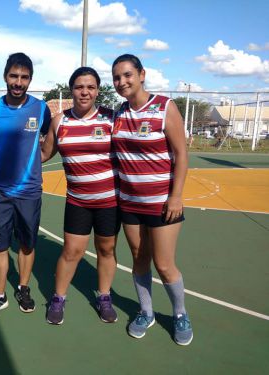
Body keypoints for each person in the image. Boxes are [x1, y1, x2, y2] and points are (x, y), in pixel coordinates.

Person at [111, 54, 193, 345]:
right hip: (129, 203)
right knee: (139, 258)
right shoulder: (119, 113)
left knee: (164, 263)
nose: (122, 82)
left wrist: (176, 196)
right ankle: (146, 311)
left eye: (128, 75)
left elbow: (181, 153)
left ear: (142, 74)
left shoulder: (164, 106)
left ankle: (180, 313)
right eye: (117, 78)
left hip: (161, 202)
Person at [41, 67, 120, 325]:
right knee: (72, 251)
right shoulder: (60, 121)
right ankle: (58, 297)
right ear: (71, 89)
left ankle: (104, 296)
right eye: (79, 87)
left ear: (98, 90)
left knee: (106, 249)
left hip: (109, 200)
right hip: (78, 200)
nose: (84, 92)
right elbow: (43, 154)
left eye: (90, 87)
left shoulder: (111, 118)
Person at [0, 52, 51, 319]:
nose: (18, 82)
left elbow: (50, 138)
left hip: (30, 191)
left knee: (27, 245)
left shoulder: (40, 109)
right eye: (14, 76)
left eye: (24, 77)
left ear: (30, 79)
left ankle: (23, 287)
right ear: (5, 76)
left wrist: (41, 158)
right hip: (0, 192)